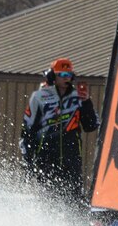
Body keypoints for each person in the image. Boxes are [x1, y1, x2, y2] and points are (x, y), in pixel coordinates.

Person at [19, 58, 99, 207]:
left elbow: (91, 126)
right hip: (46, 157)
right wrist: (28, 160)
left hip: (72, 157)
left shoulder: (78, 97)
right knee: (49, 201)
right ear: (53, 76)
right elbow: (27, 129)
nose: (66, 78)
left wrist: (87, 101)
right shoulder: (39, 96)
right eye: (61, 74)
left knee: (75, 201)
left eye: (68, 74)